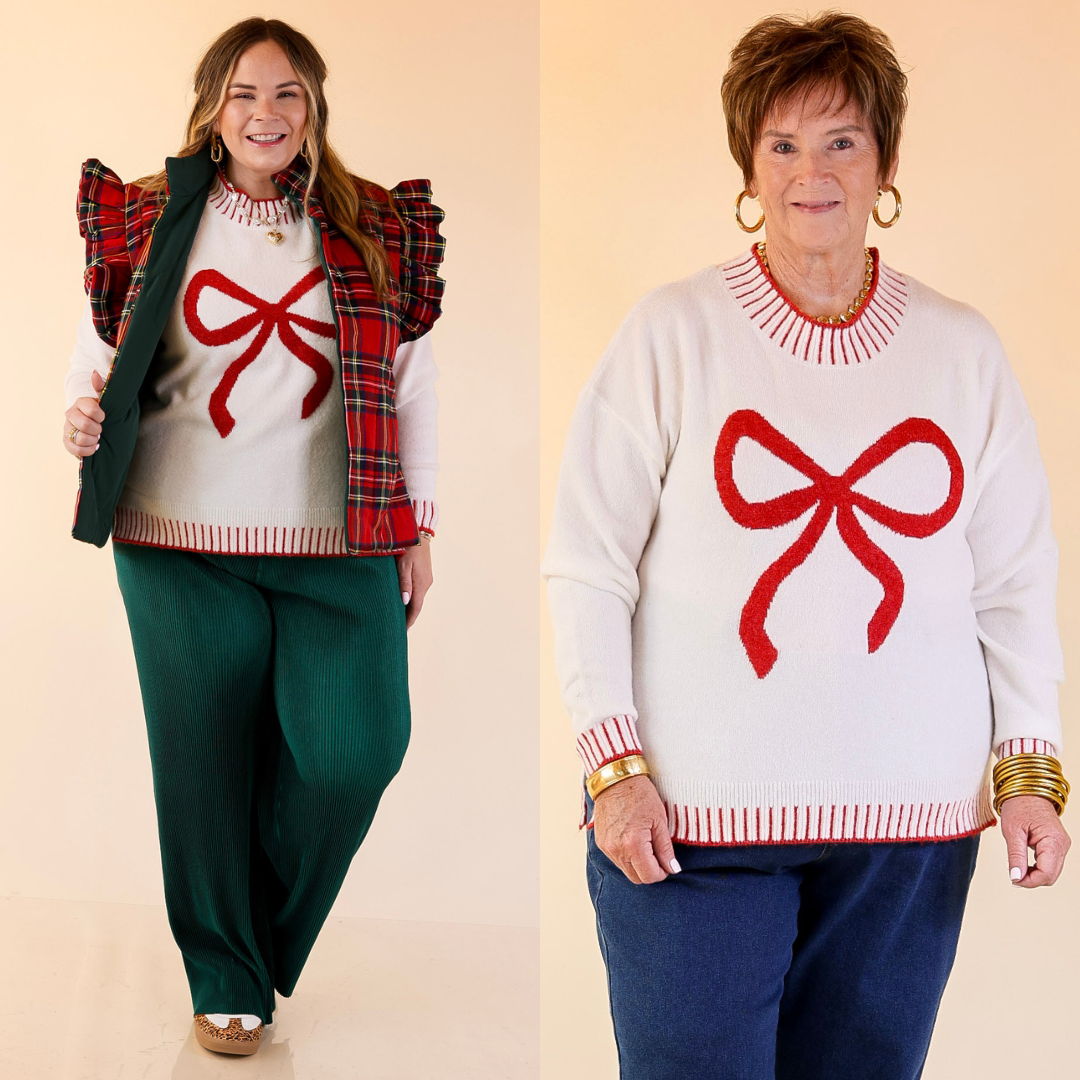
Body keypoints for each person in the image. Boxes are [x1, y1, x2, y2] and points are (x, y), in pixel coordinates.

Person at [542, 12, 1069, 1079]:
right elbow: (585, 561)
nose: (810, 172)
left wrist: (1031, 765)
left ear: (884, 162)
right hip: (690, 821)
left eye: (840, 142)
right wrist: (613, 766)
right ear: (749, 164)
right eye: (781, 144)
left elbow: (1012, 579)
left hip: (909, 832)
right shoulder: (672, 332)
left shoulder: (963, 351)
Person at [62, 17, 445, 1056]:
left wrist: (419, 522)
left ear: (314, 108)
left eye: (287, 94)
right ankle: (224, 973)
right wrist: (78, 414)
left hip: (339, 538)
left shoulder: (372, 227)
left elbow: (414, 382)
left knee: (354, 750)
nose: (265, 115)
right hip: (174, 530)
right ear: (211, 107)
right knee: (202, 761)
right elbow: (98, 348)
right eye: (244, 94)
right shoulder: (149, 216)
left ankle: (252, 939)